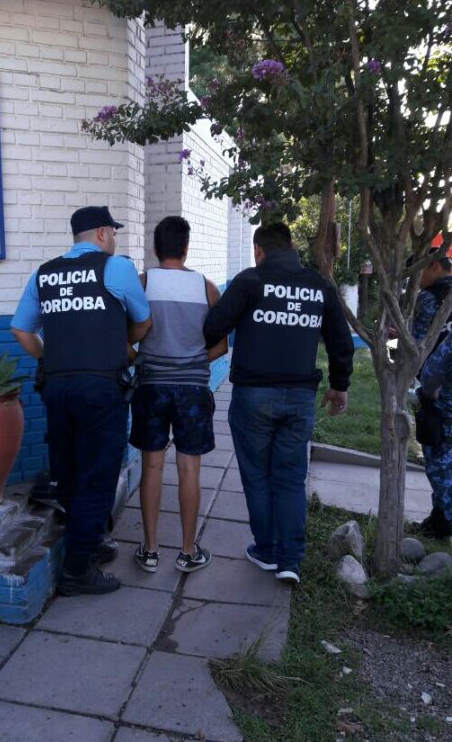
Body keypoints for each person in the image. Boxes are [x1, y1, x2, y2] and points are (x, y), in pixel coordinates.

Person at [11, 206, 151, 596]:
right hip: (100, 388)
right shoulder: (116, 267)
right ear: (103, 233)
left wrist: (52, 359)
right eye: (114, 232)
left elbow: (21, 330)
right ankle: (77, 570)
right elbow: (144, 322)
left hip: (57, 388)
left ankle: (88, 540)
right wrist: (122, 346)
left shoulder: (45, 273)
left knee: (69, 471)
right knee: (98, 474)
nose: (115, 239)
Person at [203, 222, 354, 584]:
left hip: (253, 397)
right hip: (300, 398)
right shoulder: (319, 285)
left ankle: (267, 550)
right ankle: (290, 560)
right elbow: (340, 340)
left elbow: (213, 327)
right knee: (290, 478)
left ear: (258, 250)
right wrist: (339, 385)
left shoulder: (250, 281)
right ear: (291, 247)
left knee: (257, 475)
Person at [129, 216, 228, 574]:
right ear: (186, 248)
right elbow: (221, 347)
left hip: (151, 386)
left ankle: (150, 550)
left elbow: (129, 337)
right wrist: (192, 361)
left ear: (156, 248)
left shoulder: (142, 284)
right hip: (193, 390)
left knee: (151, 466)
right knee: (189, 469)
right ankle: (188, 551)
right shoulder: (206, 288)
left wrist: (145, 360)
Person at [411, 237, 452, 537]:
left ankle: (447, 517)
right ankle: (439, 519)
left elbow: (418, 347)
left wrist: (426, 390)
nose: (417, 280)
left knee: (438, 458)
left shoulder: (429, 298)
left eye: (419, 271)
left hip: (440, 393)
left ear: (435, 266)